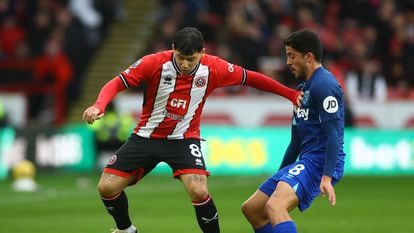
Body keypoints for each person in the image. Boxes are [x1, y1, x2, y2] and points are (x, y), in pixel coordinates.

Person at [82, 27, 302, 233]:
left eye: (191, 59)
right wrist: (99, 105)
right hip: (146, 137)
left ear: (202, 53)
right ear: (173, 49)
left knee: (199, 191)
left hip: (184, 139)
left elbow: (252, 78)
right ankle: (126, 229)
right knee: (106, 188)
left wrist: (291, 95)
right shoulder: (154, 63)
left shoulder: (214, 67)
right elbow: (117, 83)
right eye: (181, 57)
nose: (186, 64)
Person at [241, 29, 346, 233]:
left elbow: (333, 134)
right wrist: (281, 173)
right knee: (252, 209)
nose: (287, 62)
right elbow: (295, 142)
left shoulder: (325, 85)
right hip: (306, 160)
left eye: (291, 56)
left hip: (319, 162)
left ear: (308, 57)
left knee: (275, 206)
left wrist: (326, 177)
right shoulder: (303, 89)